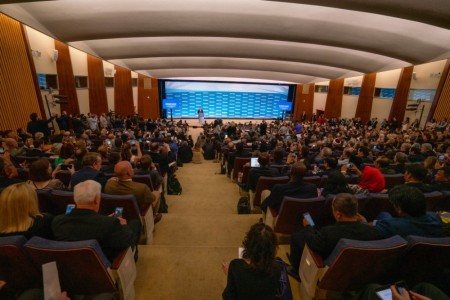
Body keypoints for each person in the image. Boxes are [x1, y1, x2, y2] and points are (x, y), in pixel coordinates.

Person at [287, 193, 381, 281]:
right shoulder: (373, 231)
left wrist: (307, 226)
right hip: (358, 271)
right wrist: (365, 223)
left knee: (296, 237)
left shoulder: (329, 232)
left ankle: (296, 271)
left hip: (329, 268)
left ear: (338, 214)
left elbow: (313, 243)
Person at [52, 180, 140, 262]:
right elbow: (130, 240)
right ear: (96, 199)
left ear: (75, 199)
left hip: (72, 265)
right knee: (134, 224)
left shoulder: (57, 221)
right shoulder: (109, 224)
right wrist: (124, 225)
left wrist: (105, 219)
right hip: (106, 265)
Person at [222, 222, 281, 300]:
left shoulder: (235, 266)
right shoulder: (276, 267)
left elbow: (228, 296)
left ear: (248, 243)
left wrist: (229, 274)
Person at [371, 185, 444, 238]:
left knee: (383, 215)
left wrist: (364, 222)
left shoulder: (390, 225)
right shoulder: (436, 218)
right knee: (384, 214)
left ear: (399, 209)